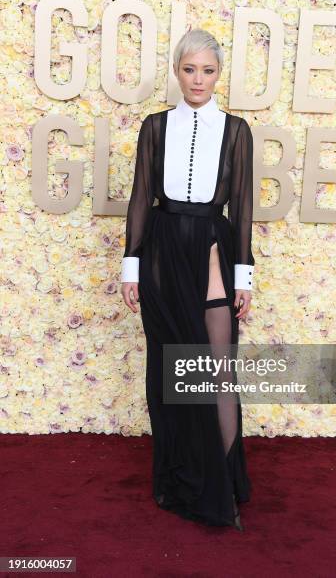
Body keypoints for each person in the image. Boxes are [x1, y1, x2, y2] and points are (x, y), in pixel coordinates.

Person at [121, 28, 255, 531]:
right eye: (189, 69)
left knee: (217, 372)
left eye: (208, 70)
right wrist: (130, 268)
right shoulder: (154, 126)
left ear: (219, 74)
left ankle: (220, 483)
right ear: (176, 71)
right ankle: (181, 479)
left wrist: (244, 276)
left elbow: (241, 207)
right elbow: (139, 200)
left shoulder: (237, 130)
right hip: (160, 252)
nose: (198, 79)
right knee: (170, 374)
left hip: (213, 250)